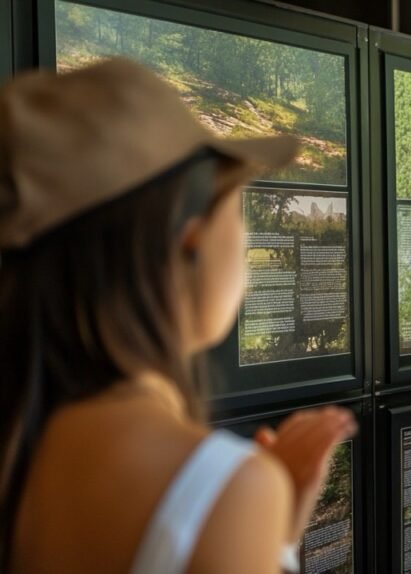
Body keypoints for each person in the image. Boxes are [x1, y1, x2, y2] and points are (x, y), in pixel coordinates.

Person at [0, 58, 358, 573]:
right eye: (236, 209)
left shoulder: (23, 448)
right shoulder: (223, 488)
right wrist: (259, 525)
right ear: (191, 242)